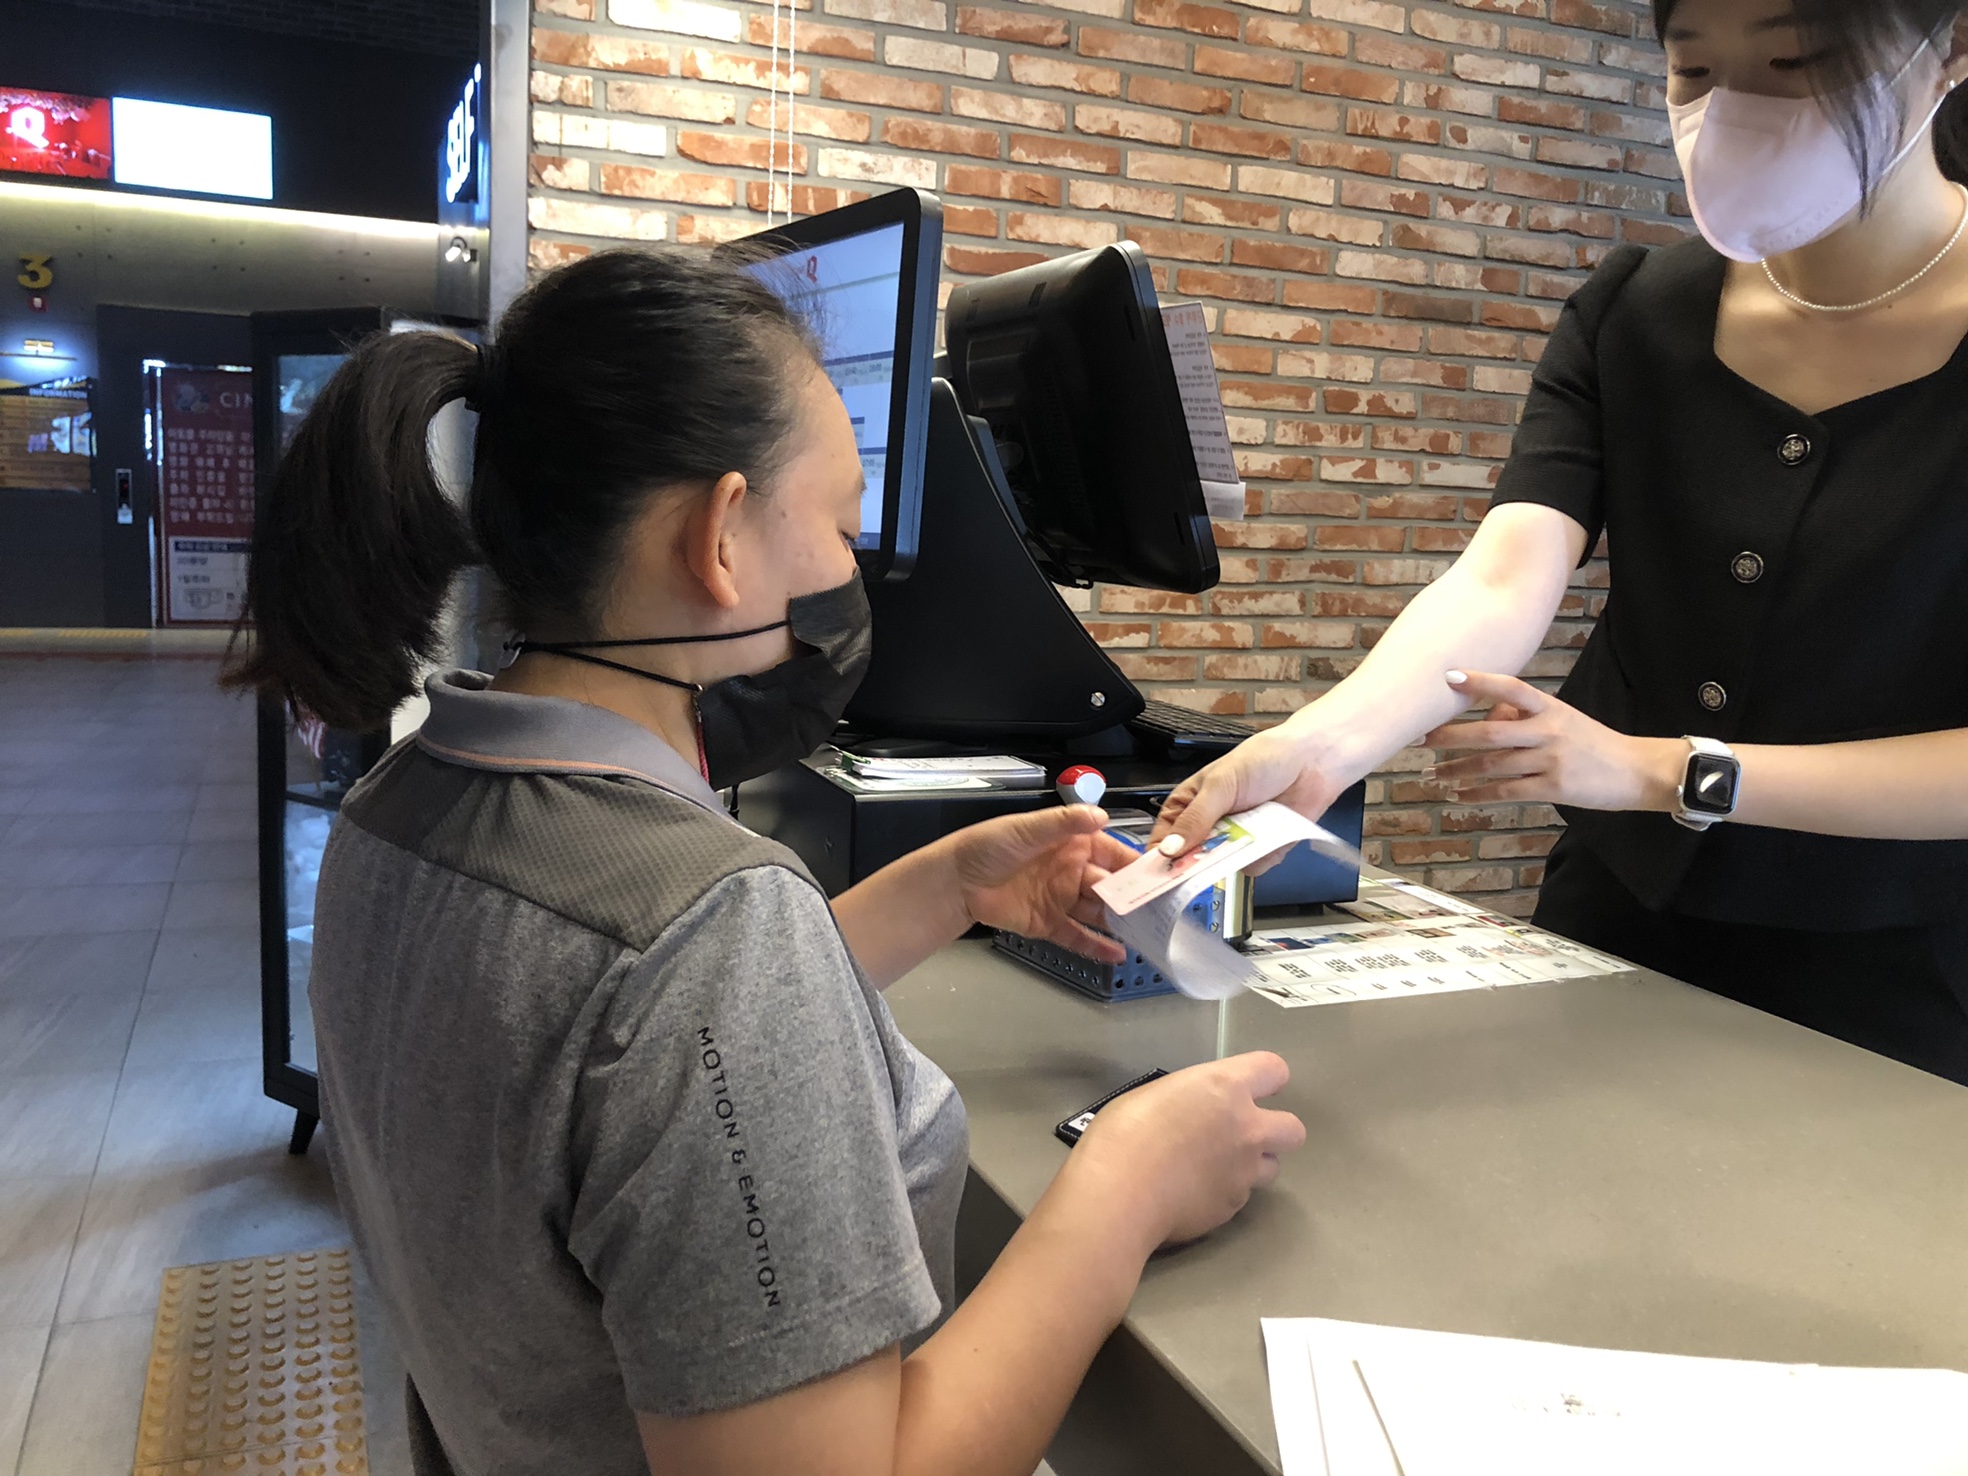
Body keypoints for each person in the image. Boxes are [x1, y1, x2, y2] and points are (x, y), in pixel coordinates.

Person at [224, 248, 1305, 1476]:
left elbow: (610, 1051)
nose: (852, 573)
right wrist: (1126, 1190)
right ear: (723, 534)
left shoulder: (395, 809)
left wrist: (946, 887)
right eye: (842, 529)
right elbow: (675, 1012)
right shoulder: (711, 940)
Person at [1156, 0, 1968, 1083]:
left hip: (1908, 968)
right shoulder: (1636, 312)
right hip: (1620, 916)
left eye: (1794, 63)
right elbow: (1502, 577)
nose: (1736, 113)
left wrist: (1661, 769)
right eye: (1693, 74)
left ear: (1950, 50)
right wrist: (1317, 748)